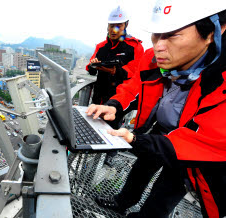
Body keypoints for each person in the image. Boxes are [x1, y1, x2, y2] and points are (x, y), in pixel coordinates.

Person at [86, 1, 226, 217]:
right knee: (142, 168)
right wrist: (114, 105)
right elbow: (134, 85)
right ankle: (122, 201)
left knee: (168, 186)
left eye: (171, 34)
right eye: (156, 34)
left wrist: (135, 140)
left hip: (190, 145)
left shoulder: (221, 79)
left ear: (212, 33)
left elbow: (209, 142)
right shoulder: (155, 57)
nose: (159, 46)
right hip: (163, 128)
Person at [86, 5, 144, 109]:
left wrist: (115, 71)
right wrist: (93, 65)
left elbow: (137, 72)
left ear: (126, 25)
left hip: (118, 100)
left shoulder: (134, 46)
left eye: (118, 26)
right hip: (98, 97)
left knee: (112, 125)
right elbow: (91, 71)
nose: (114, 30)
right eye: (111, 26)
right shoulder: (101, 46)